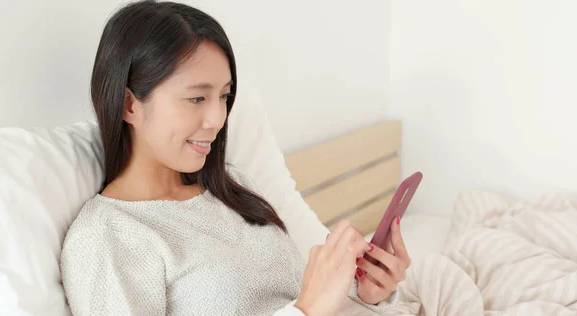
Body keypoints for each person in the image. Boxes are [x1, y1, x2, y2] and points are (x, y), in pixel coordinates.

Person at [60, 1, 411, 315]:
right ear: (129, 104)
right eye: (197, 98)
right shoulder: (107, 238)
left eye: (225, 96)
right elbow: (305, 305)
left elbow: (292, 297)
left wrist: (365, 292)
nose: (217, 119)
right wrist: (308, 310)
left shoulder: (233, 186)